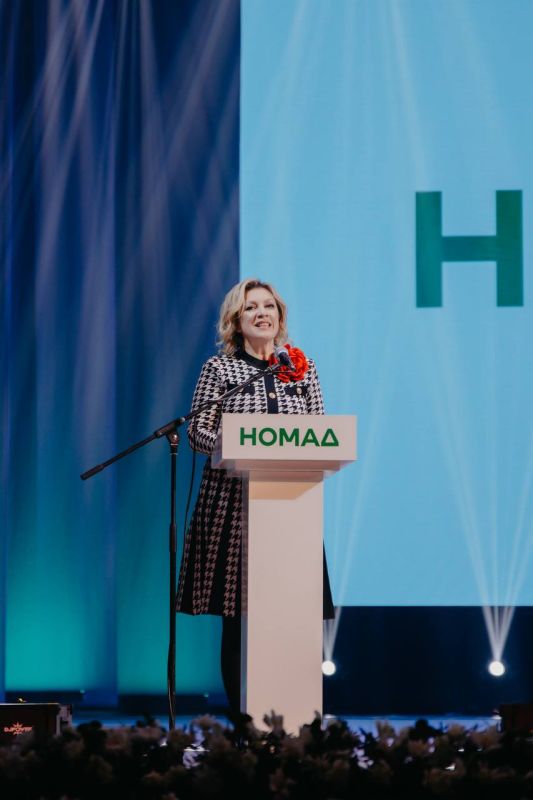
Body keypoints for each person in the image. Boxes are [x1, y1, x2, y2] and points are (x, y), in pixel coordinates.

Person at [176, 277, 334, 713]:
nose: (261, 313)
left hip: (292, 508)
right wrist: (231, 446)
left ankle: (295, 720)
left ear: (280, 316)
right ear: (236, 320)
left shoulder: (303, 368)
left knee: (294, 618)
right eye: (251, 307)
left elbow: (321, 433)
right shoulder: (219, 370)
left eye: (269, 306)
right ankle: (243, 725)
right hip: (232, 505)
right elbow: (199, 433)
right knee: (239, 621)